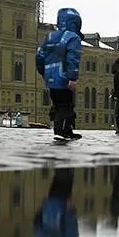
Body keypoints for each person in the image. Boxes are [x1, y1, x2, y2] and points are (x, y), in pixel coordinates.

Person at [36, 8, 84, 141]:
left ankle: (68, 131)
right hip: (64, 77)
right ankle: (60, 132)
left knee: (58, 105)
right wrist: (72, 78)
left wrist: (43, 72)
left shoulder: (50, 36)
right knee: (66, 106)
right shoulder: (73, 37)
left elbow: (39, 56)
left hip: (50, 77)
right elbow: (72, 58)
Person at [34, 169, 80, 237]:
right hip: (52, 207)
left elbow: (71, 232)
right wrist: (42, 209)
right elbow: (37, 228)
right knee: (60, 176)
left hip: (62, 205)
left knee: (65, 173)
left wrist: (71, 211)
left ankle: (65, 158)